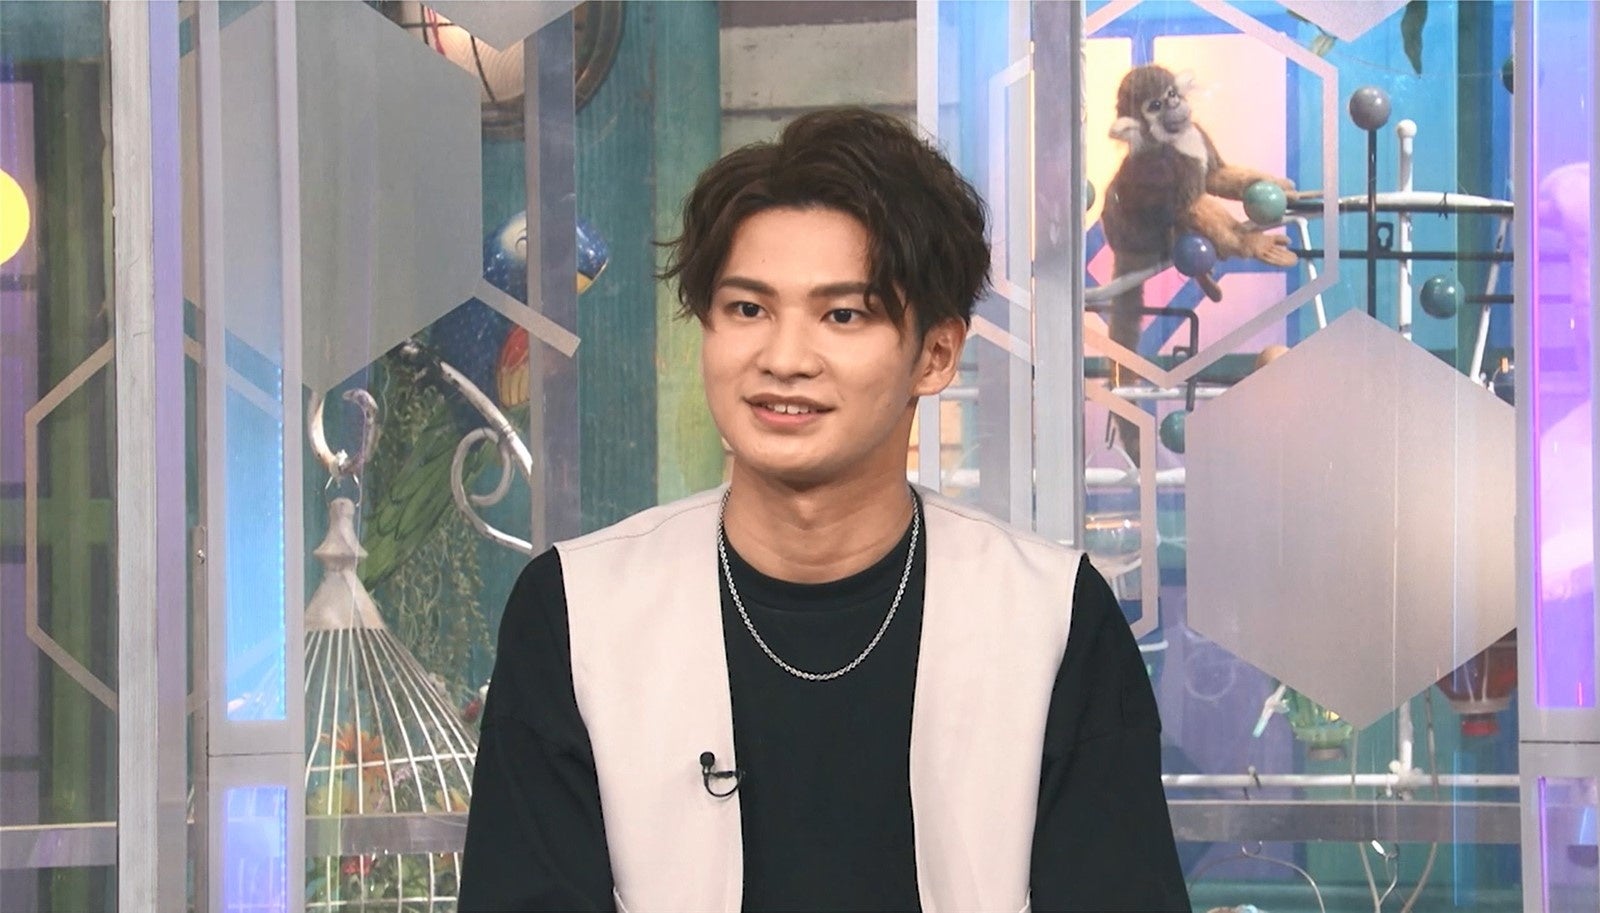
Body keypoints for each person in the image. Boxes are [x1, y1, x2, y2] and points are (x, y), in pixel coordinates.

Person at [458, 106, 1189, 913]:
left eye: (843, 314)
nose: (784, 359)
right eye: (747, 309)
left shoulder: (1053, 618)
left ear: (936, 353)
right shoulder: (575, 611)